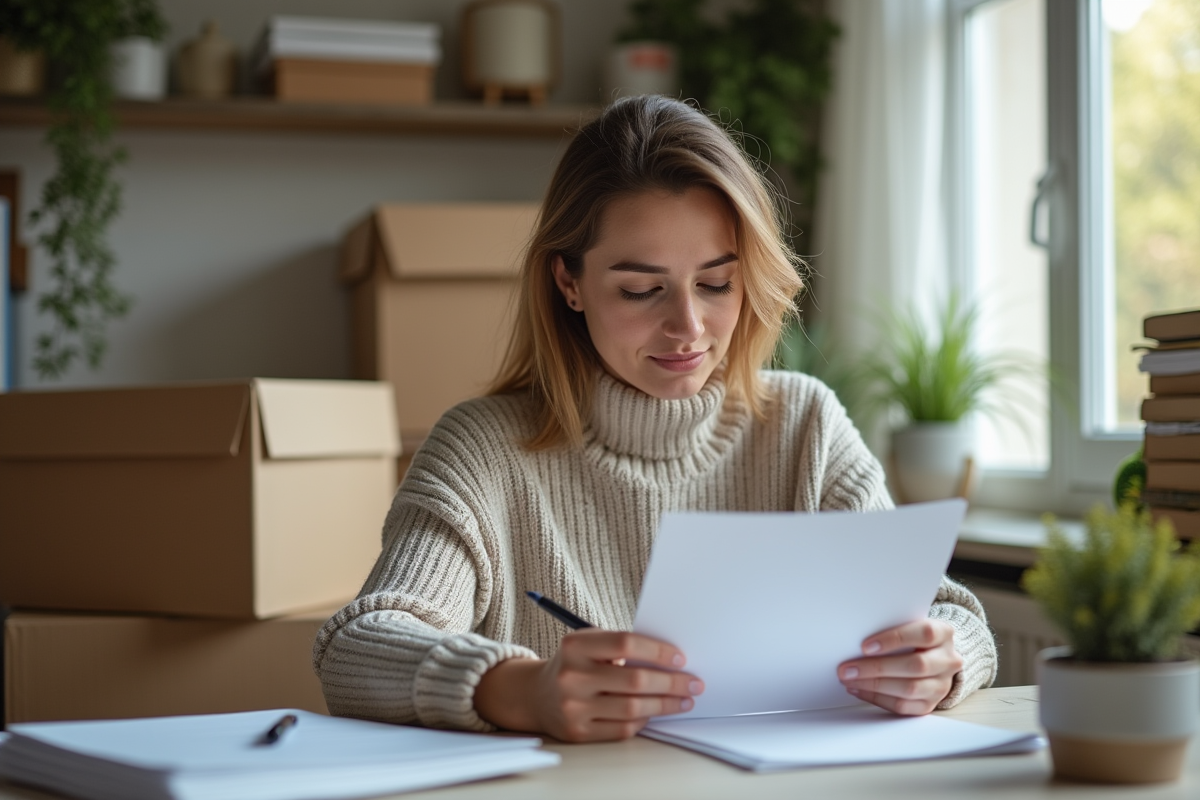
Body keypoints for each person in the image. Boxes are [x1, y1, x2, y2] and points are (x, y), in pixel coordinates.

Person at [313, 95, 997, 742]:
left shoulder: (804, 424)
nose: (689, 328)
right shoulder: (483, 449)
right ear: (569, 283)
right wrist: (518, 688)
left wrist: (943, 658)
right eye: (642, 290)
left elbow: (949, 613)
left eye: (716, 282)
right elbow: (355, 646)